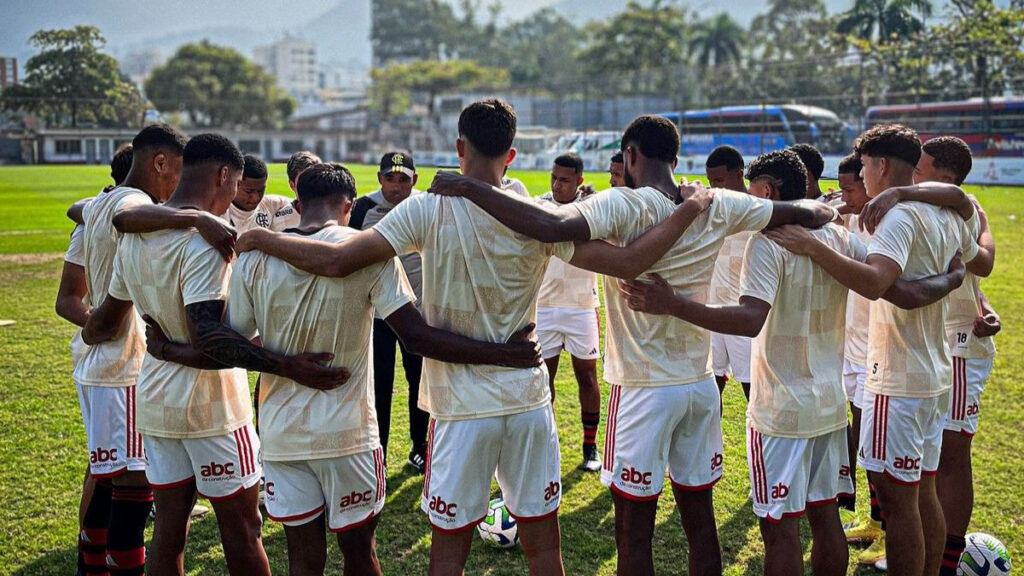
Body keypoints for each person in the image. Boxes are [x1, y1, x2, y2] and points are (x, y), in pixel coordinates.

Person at [235, 99, 717, 576]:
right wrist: (689, 207)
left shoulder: (425, 209)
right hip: (528, 401)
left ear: (459, 145)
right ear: (511, 155)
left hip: (460, 407)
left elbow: (338, 259)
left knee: (448, 553)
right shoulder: (534, 216)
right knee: (545, 551)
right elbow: (626, 263)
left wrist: (264, 239)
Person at [426, 114, 838, 576]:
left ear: (631, 156)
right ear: (676, 160)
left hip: (642, 388)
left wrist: (471, 187)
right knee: (700, 522)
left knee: (634, 532)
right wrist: (823, 212)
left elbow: (548, 225)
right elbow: (807, 210)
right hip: (699, 386)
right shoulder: (717, 202)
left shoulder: (624, 204)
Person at [216, 161, 541, 576]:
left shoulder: (256, 258)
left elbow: (234, 338)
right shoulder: (370, 254)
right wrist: (501, 353)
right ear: (349, 206)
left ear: (298, 203)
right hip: (348, 434)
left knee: (303, 558)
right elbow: (417, 337)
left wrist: (283, 363)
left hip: (282, 434)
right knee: (360, 553)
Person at [83, 134, 348, 576]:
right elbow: (209, 336)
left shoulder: (139, 235)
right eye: (236, 182)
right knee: (243, 532)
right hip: (213, 411)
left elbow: (108, 316)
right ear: (224, 175)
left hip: (156, 400)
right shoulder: (205, 240)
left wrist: (156, 344)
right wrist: (286, 365)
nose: (234, 195)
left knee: (168, 532)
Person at [764, 124, 992, 576]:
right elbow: (968, 259)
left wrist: (811, 246)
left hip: (897, 378)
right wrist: (947, 279)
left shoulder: (899, 218)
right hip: (934, 373)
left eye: (866, 166)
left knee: (898, 502)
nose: (864, 175)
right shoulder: (945, 214)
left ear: (882, 165)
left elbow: (874, 283)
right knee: (923, 492)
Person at [72, 123, 187, 576]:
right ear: (159, 162)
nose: (178, 186)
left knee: (112, 480)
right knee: (135, 490)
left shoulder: (101, 201)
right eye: (177, 173)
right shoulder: (134, 205)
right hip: (124, 364)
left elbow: (77, 209)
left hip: (107, 365)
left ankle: (91, 566)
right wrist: (196, 217)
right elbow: (131, 220)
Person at [915, 136, 1000, 576]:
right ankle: (926, 549)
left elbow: (983, 264)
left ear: (943, 175)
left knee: (951, 453)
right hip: (932, 342)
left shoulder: (965, 208)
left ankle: (948, 559)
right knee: (929, 457)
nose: (914, 171)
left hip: (961, 346)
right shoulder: (925, 208)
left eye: (921, 166)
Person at [57, 143, 133, 576]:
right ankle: (90, 556)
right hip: (108, 363)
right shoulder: (94, 222)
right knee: (104, 466)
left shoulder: (135, 218)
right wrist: (99, 325)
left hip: (142, 365)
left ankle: (101, 553)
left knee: (125, 466)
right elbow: (67, 299)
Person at [348, 151, 430, 473]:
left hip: (418, 311)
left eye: (403, 180)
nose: (396, 187)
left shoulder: (425, 206)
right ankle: (377, 449)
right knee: (378, 383)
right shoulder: (364, 208)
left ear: (415, 180)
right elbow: (348, 252)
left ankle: (419, 447)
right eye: (390, 179)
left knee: (419, 381)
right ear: (380, 178)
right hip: (378, 314)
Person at [535, 152, 602, 472]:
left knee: (587, 377)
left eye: (564, 179)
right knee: (541, 378)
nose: (557, 184)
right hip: (544, 307)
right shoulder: (539, 205)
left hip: (581, 307)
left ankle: (590, 447)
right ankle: (545, 443)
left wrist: (593, 202)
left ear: (579, 180)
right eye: (554, 178)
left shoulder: (594, 206)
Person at [704, 145, 753, 400]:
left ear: (739, 174)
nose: (714, 187)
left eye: (719, 180)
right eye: (710, 181)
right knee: (710, 391)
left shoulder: (759, 210)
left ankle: (758, 441)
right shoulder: (710, 210)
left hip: (742, 314)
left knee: (753, 390)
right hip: (709, 313)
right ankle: (712, 442)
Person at [224, 154, 299, 233]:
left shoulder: (271, 204)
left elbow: (302, 206)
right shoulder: (219, 212)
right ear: (234, 184)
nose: (256, 198)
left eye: (260, 191)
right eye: (249, 191)